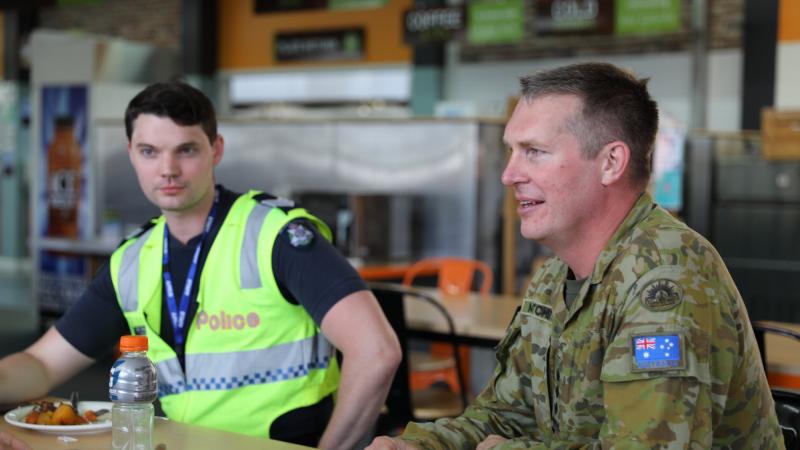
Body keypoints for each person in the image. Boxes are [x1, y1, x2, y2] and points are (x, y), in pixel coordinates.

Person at [368, 62, 784, 449]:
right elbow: (506, 415)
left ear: (611, 163)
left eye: (534, 151)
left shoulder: (666, 278)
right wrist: (417, 445)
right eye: (511, 151)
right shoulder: (555, 276)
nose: (509, 174)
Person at [0, 81, 401, 449]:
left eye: (186, 150)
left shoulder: (276, 236)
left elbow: (376, 350)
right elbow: (40, 364)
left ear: (217, 149)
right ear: (131, 155)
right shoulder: (133, 261)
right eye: (149, 152)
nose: (168, 169)